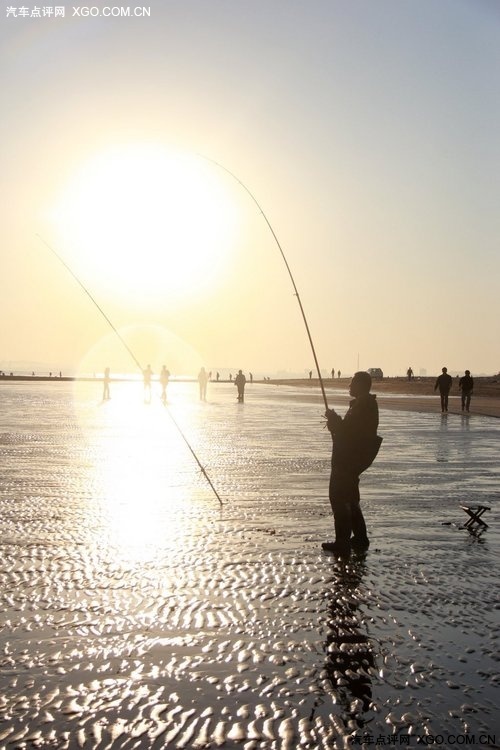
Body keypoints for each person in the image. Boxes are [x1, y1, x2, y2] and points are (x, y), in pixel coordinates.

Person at [322, 371, 382, 557]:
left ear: (360, 385)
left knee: (339, 498)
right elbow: (349, 430)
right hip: (352, 459)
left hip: (348, 460)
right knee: (350, 498)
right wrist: (336, 422)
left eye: (351, 383)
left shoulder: (363, 405)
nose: (349, 387)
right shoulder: (365, 404)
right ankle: (360, 538)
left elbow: (349, 433)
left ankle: (342, 541)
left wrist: (334, 420)